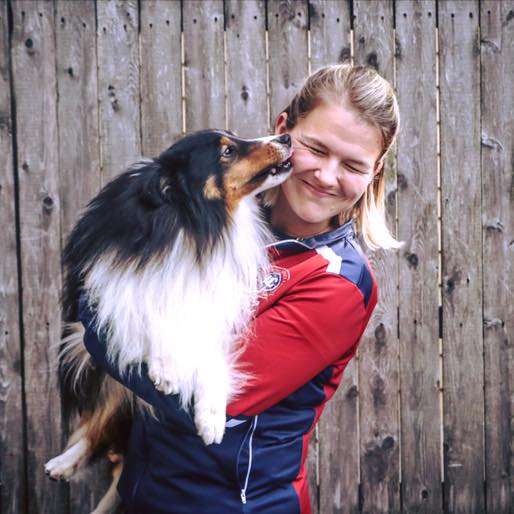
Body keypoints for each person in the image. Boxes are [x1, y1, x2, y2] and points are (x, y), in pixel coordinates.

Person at [80, 63, 401, 514]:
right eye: (316, 149)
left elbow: (214, 401)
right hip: (144, 493)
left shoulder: (338, 281)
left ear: (375, 171)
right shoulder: (220, 221)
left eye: (352, 165)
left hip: (233, 504)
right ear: (283, 130)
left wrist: (97, 322)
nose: (327, 176)